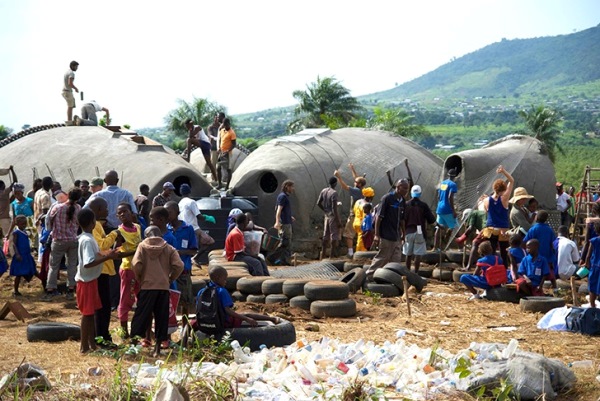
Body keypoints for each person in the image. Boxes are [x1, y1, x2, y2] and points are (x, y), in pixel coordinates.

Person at [130, 225, 184, 357]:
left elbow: (136, 264)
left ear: (147, 235)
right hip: (163, 287)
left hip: (147, 286)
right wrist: (170, 278)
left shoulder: (142, 247)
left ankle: (133, 346)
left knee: (141, 316)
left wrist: (139, 277)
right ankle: (157, 349)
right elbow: (179, 265)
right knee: (161, 317)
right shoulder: (168, 248)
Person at [75, 209, 119, 353]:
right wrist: (108, 257)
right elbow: (88, 262)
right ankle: (84, 347)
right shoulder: (87, 240)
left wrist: (108, 253)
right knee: (87, 315)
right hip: (86, 282)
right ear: (93, 223)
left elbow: (95, 255)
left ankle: (92, 344)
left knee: (92, 313)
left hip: (92, 280)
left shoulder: (87, 237)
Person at [197, 265, 279, 331]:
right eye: (224, 279)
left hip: (204, 322)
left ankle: (271, 318)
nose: (226, 282)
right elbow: (228, 311)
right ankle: (272, 319)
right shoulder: (221, 291)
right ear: (217, 278)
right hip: (222, 322)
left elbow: (198, 308)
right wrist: (246, 319)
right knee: (246, 315)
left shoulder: (201, 291)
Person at [88, 197, 123, 343]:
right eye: (106, 208)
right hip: (99, 271)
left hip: (105, 269)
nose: (108, 210)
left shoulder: (99, 225)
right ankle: (101, 337)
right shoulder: (95, 225)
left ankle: (104, 335)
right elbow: (101, 245)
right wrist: (115, 233)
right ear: (98, 210)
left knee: (105, 306)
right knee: (102, 306)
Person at [43, 187, 82, 301]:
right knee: (72, 265)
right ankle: (70, 289)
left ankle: (51, 290)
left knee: (54, 266)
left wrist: (52, 231)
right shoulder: (78, 208)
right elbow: (79, 223)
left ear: (68, 194)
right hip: (73, 240)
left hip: (59, 240)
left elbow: (48, 221)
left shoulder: (57, 207)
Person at [366, 179, 409, 278]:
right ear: (398, 187)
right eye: (404, 188)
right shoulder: (387, 198)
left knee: (396, 261)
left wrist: (403, 233)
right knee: (382, 258)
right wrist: (376, 235)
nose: (406, 190)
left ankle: (391, 279)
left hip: (396, 236)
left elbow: (402, 220)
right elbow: (378, 217)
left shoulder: (402, 201)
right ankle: (368, 277)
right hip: (386, 235)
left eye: (407, 188)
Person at [164, 201, 198, 316]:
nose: (167, 215)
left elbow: (194, 250)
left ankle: (185, 325)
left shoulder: (188, 229)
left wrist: (180, 252)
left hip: (183, 271)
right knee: (169, 300)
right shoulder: (165, 230)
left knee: (185, 301)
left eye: (169, 212)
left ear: (177, 212)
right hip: (168, 272)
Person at [116, 203, 142, 336]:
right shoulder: (120, 232)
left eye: (125, 211)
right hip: (128, 269)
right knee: (126, 299)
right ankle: (124, 330)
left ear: (131, 213)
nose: (122, 215)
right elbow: (117, 253)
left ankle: (140, 328)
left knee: (140, 297)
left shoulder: (137, 227)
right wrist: (135, 251)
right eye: (119, 213)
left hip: (139, 269)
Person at [482, 165, 514, 267]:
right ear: (504, 189)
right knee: (504, 253)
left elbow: (487, 211)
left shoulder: (486, 200)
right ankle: (503, 273)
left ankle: (491, 271)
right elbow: (512, 181)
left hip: (490, 229)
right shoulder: (504, 199)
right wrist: (503, 171)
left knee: (490, 253)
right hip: (503, 229)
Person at [178, 184, 215, 264]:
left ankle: (189, 267)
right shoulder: (191, 202)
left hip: (183, 228)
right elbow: (199, 216)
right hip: (194, 228)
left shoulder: (180, 203)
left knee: (187, 249)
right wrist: (207, 217)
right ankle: (195, 258)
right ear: (189, 191)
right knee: (210, 241)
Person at [334, 164, 366, 258]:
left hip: (354, 216)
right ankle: (361, 252)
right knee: (359, 234)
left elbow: (345, 187)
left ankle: (351, 253)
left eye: (356, 182)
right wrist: (352, 169)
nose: (354, 182)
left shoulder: (356, 191)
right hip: (361, 216)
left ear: (359, 184)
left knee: (349, 234)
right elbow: (357, 178)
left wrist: (338, 177)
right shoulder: (363, 190)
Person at [403, 185, 436, 274]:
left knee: (408, 254)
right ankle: (416, 273)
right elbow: (432, 220)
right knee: (418, 254)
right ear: (420, 194)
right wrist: (438, 225)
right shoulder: (423, 205)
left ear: (411, 193)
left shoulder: (406, 204)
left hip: (408, 229)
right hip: (419, 229)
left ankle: (407, 272)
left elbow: (402, 219)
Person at [523, 210, 557, 294]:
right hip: (547, 256)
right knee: (550, 274)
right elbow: (552, 243)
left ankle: (534, 288)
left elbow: (526, 241)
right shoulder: (549, 230)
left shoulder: (533, 229)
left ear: (536, 218)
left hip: (535, 256)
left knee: (534, 273)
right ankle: (555, 288)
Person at [268, 180, 295, 266]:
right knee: (285, 242)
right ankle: (271, 258)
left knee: (287, 243)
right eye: (291, 187)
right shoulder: (282, 197)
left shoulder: (284, 196)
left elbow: (283, 210)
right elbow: (278, 210)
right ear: (287, 186)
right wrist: (277, 222)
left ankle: (284, 261)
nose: (293, 189)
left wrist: (289, 216)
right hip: (284, 224)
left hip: (287, 222)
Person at [9, 215, 38, 297]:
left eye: (25, 224)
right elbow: (14, 244)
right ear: (17, 224)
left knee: (33, 270)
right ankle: (15, 291)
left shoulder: (25, 231)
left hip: (27, 255)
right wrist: (17, 254)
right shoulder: (16, 233)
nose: (24, 225)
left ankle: (45, 285)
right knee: (18, 274)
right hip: (20, 256)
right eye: (22, 224)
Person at [184, 118, 218, 183]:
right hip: (202, 145)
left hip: (206, 144)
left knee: (188, 140)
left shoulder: (197, 127)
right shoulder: (191, 130)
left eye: (188, 126)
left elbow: (191, 137)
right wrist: (187, 149)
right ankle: (216, 180)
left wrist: (191, 128)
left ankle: (188, 158)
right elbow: (194, 141)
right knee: (209, 163)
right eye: (186, 127)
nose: (187, 128)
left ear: (190, 124)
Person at [317, 177, 342, 259]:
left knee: (325, 235)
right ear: (335, 184)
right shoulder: (334, 193)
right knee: (334, 235)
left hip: (326, 215)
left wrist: (325, 210)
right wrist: (338, 221)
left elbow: (318, 203)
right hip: (332, 216)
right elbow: (334, 208)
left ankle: (323, 255)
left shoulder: (324, 191)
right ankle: (331, 256)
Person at [434, 168, 458, 250]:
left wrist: (441, 203)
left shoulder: (442, 183)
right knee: (455, 227)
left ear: (448, 175)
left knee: (438, 228)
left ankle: (435, 247)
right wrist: (453, 210)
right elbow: (449, 197)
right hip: (448, 209)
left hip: (440, 208)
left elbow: (438, 196)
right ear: (455, 176)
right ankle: (460, 248)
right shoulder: (453, 184)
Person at [217, 118, 237, 190]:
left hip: (227, 154)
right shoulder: (222, 131)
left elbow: (234, 144)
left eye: (226, 125)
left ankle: (227, 186)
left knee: (228, 169)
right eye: (224, 125)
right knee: (218, 168)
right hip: (221, 152)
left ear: (229, 124)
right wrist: (219, 148)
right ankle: (219, 184)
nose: (225, 126)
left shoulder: (232, 133)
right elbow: (220, 140)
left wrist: (228, 150)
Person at [353, 187, 374, 252]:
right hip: (362, 224)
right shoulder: (366, 205)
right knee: (363, 241)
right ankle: (361, 255)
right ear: (369, 197)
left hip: (355, 222)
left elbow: (354, 211)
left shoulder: (358, 201)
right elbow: (366, 218)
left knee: (359, 239)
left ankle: (358, 252)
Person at [584, 221, 600, 308]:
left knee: (592, 286)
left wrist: (586, 264)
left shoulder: (594, 241)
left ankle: (592, 305)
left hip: (595, 266)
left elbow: (588, 255)